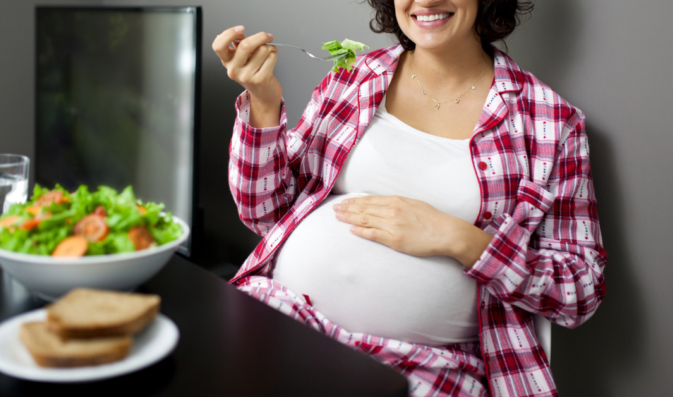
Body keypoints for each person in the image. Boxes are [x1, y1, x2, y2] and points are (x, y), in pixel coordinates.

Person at [212, 0, 607, 396]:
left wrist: (460, 240)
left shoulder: (550, 122)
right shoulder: (353, 77)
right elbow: (265, 213)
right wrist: (262, 101)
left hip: (423, 370)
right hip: (284, 316)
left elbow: (580, 290)